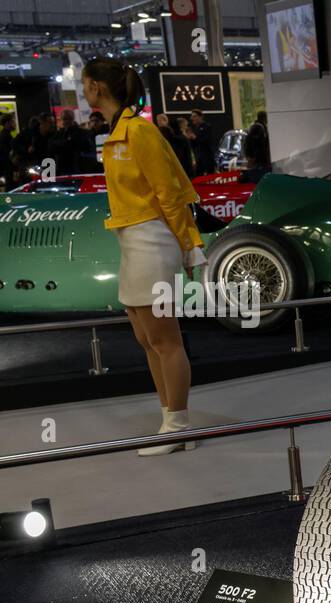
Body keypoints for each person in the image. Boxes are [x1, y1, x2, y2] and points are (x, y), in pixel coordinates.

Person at [83, 58, 205, 456]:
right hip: (131, 242)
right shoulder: (118, 132)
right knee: (147, 339)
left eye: (85, 84)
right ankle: (170, 420)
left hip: (153, 240)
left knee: (165, 340)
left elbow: (170, 193)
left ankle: (178, 427)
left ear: (97, 88)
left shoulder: (139, 131)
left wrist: (190, 244)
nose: (83, 91)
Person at [48, 109, 91, 177]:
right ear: (61, 119)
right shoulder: (58, 133)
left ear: (73, 119)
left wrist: (62, 144)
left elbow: (74, 145)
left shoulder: (81, 132)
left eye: (69, 119)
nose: (67, 121)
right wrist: (67, 142)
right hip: (61, 167)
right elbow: (51, 146)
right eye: (65, 119)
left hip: (77, 167)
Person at [154, 113, 193, 179]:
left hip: (179, 165)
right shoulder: (178, 136)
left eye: (160, 120)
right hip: (179, 165)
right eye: (158, 120)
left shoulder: (171, 133)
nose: (158, 122)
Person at [185, 108, 216, 175]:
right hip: (198, 158)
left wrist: (195, 137)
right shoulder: (195, 128)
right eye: (192, 116)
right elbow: (194, 144)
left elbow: (206, 141)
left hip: (207, 158)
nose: (192, 118)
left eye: (194, 116)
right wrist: (190, 138)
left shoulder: (207, 127)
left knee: (209, 176)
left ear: (200, 117)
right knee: (198, 176)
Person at [0, 113, 14, 188]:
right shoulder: (5, 136)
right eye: (12, 121)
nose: (13, 123)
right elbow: (6, 153)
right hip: (8, 166)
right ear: (7, 123)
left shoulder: (5, 134)